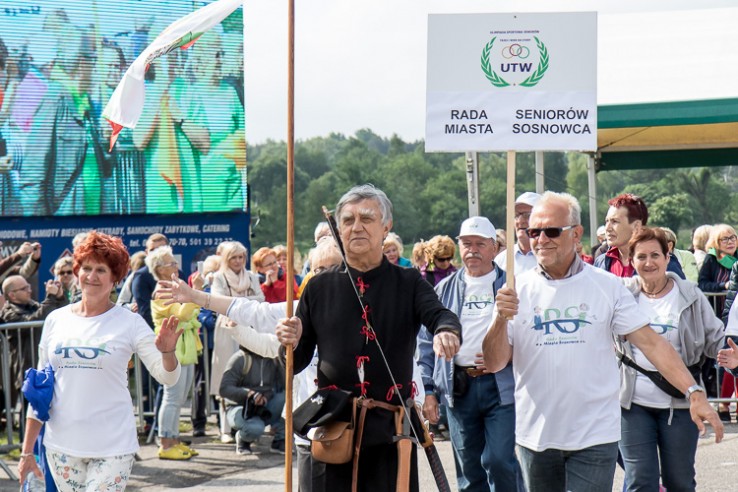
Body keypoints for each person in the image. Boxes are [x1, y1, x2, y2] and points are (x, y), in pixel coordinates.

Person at [482, 191, 722, 492]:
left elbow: (651, 344)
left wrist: (693, 392)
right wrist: (499, 319)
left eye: (552, 231)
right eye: (534, 232)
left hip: (595, 435)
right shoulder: (515, 290)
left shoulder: (606, 286)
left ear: (576, 233)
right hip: (536, 436)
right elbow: (494, 362)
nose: (541, 240)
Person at [275, 184, 462, 491]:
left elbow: (440, 314)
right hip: (334, 431)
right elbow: (294, 362)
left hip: (390, 434)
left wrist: (446, 331)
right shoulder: (318, 287)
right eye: (348, 220)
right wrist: (289, 343)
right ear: (338, 229)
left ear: (386, 227)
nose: (357, 227)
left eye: (367, 218)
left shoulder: (409, 282)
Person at [17, 231, 182, 490]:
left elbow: (167, 376)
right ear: (77, 271)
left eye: (101, 270)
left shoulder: (130, 322)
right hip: (61, 447)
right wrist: (27, 451)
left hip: (113, 446)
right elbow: (39, 389)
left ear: (115, 277)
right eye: (86, 268)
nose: (91, 276)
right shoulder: (56, 320)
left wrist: (168, 353)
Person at [417, 216, 521, 492]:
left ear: (494, 247)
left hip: (501, 386)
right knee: (469, 470)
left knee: (500, 460)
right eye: (466, 243)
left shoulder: (511, 286)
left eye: (480, 244)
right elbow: (425, 343)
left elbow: (528, 336)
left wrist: (505, 355)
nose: (472, 250)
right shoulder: (444, 288)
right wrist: (429, 391)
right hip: (459, 387)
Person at [618, 227, 723, 491]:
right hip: (633, 403)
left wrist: (728, 354)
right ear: (631, 260)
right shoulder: (622, 296)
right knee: (640, 480)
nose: (649, 262)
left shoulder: (690, 294)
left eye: (655, 255)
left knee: (679, 481)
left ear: (668, 257)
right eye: (641, 256)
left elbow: (715, 339)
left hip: (682, 402)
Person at [147, 246, 202, 460]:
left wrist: (191, 301)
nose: (176, 266)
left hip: (184, 346)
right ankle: (165, 443)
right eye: (171, 263)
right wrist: (195, 290)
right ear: (160, 269)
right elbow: (183, 315)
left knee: (179, 398)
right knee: (172, 397)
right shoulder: (161, 291)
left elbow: (191, 313)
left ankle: (175, 440)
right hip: (172, 348)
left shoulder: (173, 287)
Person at [210, 240, 264, 443]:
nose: (238, 261)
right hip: (227, 329)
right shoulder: (219, 277)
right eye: (233, 257)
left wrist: (235, 302)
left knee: (251, 376)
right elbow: (217, 301)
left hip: (250, 328)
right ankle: (225, 429)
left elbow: (262, 298)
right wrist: (246, 302)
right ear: (226, 259)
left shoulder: (251, 277)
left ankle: (250, 426)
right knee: (227, 376)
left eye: (241, 257)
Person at [1, 275, 67, 421]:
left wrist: (60, 297)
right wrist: (50, 297)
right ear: (12, 295)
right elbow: (37, 319)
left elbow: (63, 316)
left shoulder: (34, 306)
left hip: (48, 368)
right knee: (31, 415)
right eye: (24, 288)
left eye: (29, 287)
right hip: (28, 372)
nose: (29, 290)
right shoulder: (8, 313)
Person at [595, 193, 685, 279]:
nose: (607, 228)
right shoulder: (601, 263)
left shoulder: (664, 263)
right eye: (607, 221)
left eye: (615, 221)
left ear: (636, 226)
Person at [699, 224, 738, 418]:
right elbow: (702, 284)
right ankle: (723, 404)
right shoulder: (711, 259)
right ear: (716, 242)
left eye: (733, 237)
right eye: (725, 239)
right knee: (724, 361)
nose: (730, 242)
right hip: (718, 317)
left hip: (732, 318)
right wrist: (723, 285)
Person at [219, 346, 286, 455]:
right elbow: (224, 389)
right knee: (255, 428)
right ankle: (243, 439)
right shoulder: (240, 359)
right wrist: (248, 394)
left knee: (287, 399)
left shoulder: (273, 359)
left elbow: (284, 385)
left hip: (264, 406)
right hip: (240, 407)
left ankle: (280, 440)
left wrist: (282, 360)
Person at [494, 192, 540, 274]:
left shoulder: (552, 258)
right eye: (516, 215)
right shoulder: (502, 260)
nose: (520, 221)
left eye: (527, 215)